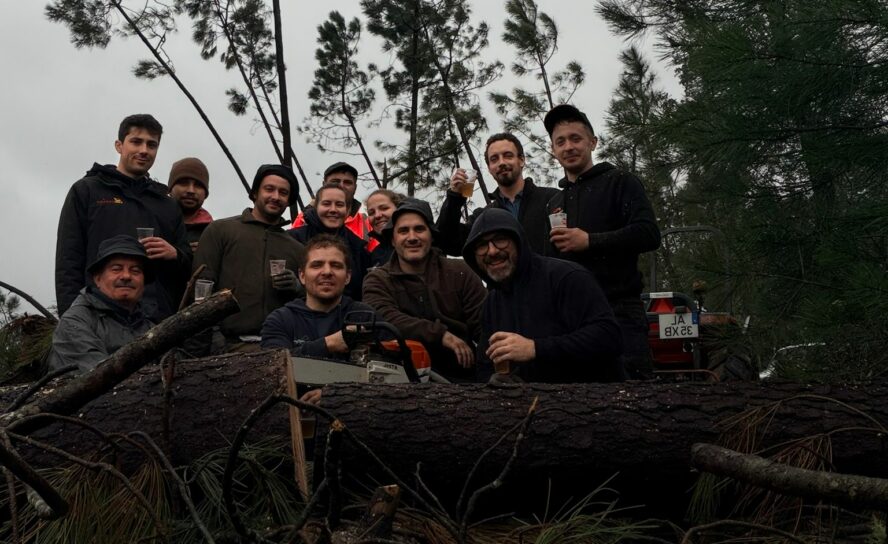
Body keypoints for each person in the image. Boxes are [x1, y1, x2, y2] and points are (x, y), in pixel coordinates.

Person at [543, 104, 661, 379]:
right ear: (553, 150)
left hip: (620, 312)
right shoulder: (554, 202)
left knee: (633, 394)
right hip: (572, 320)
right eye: (560, 142)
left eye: (576, 138)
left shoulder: (620, 182)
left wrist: (590, 241)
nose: (568, 147)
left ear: (593, 142)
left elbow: (648, 233)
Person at [55, 114, 192, 321]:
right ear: (119, 146)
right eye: (136, 142)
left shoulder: (167, 204)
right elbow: (68, 261)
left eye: (151, 145)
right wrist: (71, 320)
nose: (144, 150)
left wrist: (175, 254)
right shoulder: (87, 191)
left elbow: (187, 267)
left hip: (155, 321)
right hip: (96, 316)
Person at [462, 209, 624, 383]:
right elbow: (485, 365)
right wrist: (493, 381)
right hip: (529, 399)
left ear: (518, 242)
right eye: (482, 245)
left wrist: (535, 348)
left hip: (592, 395)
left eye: (500, 240)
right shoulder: (492, 304)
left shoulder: (566, 277)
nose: (492, 251)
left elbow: (609, 337)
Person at [363, 199, 486, 382]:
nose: (412, 237)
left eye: (419, 229)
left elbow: (484, 324)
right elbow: (384, 317)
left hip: (464, 379)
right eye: (403, 231)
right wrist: (440, 334)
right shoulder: (378, 280)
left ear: (431, 235)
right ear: (393, 240)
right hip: (400, 379)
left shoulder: (461, 272)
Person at [194, 164, 305, 352]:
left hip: (279, 347)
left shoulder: (297, 249)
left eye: (283, 192)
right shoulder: (221, 231)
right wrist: (205, 344)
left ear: (289, 200)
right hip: (226, 345)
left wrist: (298, 288)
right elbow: (200, 290)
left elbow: (312, 303)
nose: (275, 196)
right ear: (254, 193)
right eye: (269, 189)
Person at [436, 133, 558, 256]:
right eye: (494, 159)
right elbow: (448, 243)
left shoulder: (552, 199)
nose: (501, 162)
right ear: (489, 168)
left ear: (521, 160)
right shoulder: (484, 217)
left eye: (508, 156)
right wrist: (454, 198)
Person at [48, 235, 155, 374]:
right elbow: (99, 377)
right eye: (116, 269)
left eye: (135, 271)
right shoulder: (75, 322)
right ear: (98, 279)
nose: (126, 276)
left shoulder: (151, 327)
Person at [289, 184, 370, 301]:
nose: (333, 210)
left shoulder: (358, 247)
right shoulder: (293, 239)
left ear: (348, 210)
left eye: (339, 204)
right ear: (316, 207)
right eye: (326, 204)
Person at [291, 162, 370, 240]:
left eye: (347, 183)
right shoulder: (304, 219)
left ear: (355, 188)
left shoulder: (365, 223)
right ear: (324, 185)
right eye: (335, 181)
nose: (341, 186)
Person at [168, 157, 213, 253]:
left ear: (205, 194)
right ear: (170, 189)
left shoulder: (215, 234)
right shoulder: (151, 223)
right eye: (184, 183)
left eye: (198, 185)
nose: (191, 190)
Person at [365, 189, 405, 267]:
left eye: (384, 208)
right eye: (371, 213)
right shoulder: (374, 255)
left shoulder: (413, 244)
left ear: (398, 209)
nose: (377, 215)